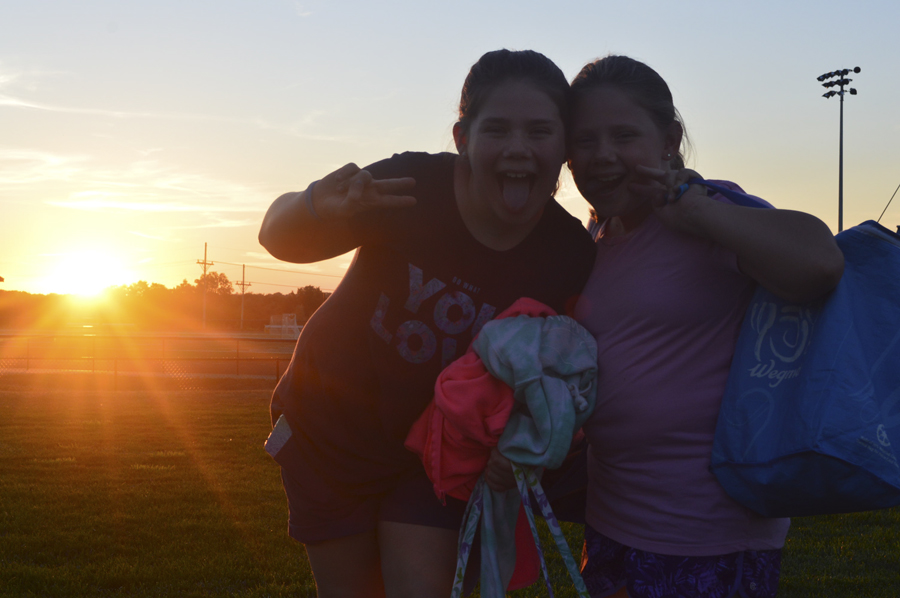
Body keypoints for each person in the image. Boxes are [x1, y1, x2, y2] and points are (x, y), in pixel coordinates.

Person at [257, 49, 595, 598]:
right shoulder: (411, 184)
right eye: (497, 129)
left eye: (539, 130)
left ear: (564, 148)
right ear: (462, 138)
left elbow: (564, 366)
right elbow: (276, 236)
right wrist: (318, 204)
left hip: (441, 454)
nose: (518, 147)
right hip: (331, 433)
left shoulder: (569, 254)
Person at [566, 55, 845, 598]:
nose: (602, 155)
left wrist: (696, 213)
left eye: (624, 135)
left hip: (708, 537)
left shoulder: (709, 211)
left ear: (669, 139)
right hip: (611, 522)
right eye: (585, 140)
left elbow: (821, 261)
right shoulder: (598, 235)